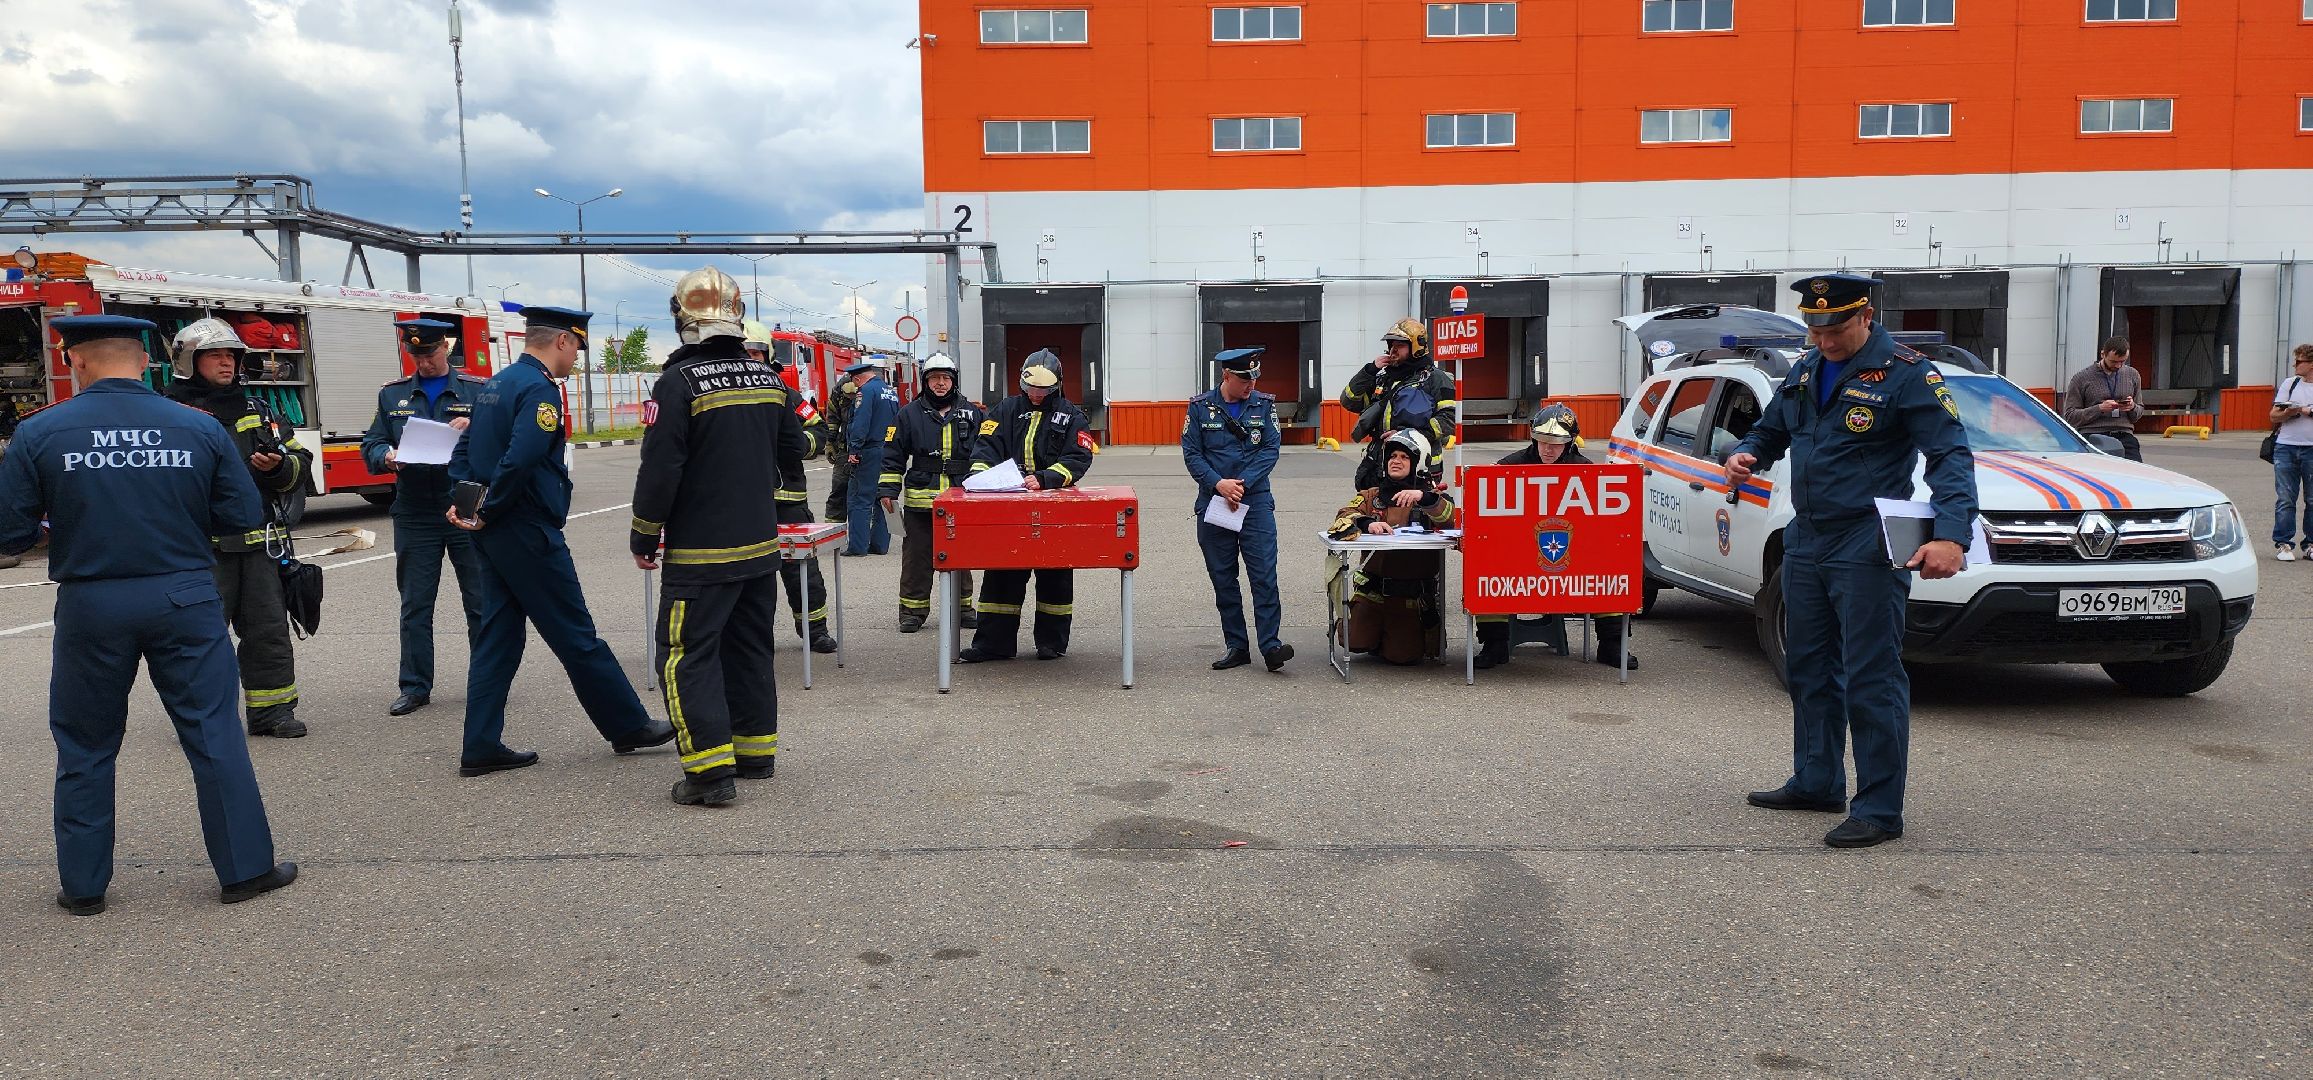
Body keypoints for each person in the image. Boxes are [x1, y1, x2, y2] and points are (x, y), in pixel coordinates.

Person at [0, 314, 297, 915]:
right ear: (143, 362)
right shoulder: (199, 427)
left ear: (76, 360)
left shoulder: (41, 432)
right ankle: (244, 870)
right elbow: (242, 513)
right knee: (213, 733)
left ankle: (84, 888)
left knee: (85, 744)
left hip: (92, 600)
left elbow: (11, 533)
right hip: (184, 594)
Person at [1724, 273, 1977, 849]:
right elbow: (1772, 429)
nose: (1823, 340)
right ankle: (1817, 780)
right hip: (1807, 537)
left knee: (1872, 676)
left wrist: (1953, 535)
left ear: (1865, 316)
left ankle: (1880, 808)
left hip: (1867, 541)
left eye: (1834, 328)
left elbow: (1950, 456)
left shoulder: (1910, 374)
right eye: (1814, 328)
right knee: (1808, 666)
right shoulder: (1810, 366)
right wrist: (1746, 453)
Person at [447, 305, 672, 777]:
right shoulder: (538, 389)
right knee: (576, 635)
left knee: (497, 638)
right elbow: (522, 458)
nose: (575, 360)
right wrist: (488, 508)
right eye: (577, 349)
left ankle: (480, 744)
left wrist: (466, 501)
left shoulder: (495, 384)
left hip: (494, 533)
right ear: (562, 342)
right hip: (526, 529)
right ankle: (628, 724)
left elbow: (465, 450)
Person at [630, 269, 807, 806]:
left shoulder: (678, 382)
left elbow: (661, 468)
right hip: (759, 547)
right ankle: (755, 755)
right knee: (750, 650)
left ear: (683, 318)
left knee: (686, 655)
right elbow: (794, 448)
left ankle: (709, 776)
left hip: (700, 555)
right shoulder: (767, 379)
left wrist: (644, 534)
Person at [165, 317, 313, 739]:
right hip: (199, 550)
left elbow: (300, 464)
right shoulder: (168, 415)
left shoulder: (258, 410)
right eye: (215, 355)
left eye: (231, 355)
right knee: (200, 640)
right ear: (189, 361)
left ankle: (272, 713)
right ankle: (202, 720)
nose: (226, 363)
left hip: (259, 547)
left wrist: (279, 467)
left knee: (268, 631)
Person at [361, 318, 489, 716]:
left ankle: (486, 681)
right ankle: (414, 687)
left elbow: (501, 441)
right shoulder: (393, 395)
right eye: (416, 354)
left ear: (445, 349)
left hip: (464, 505)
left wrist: (475, 427)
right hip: (415, 510)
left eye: (430, 353)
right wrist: (386, 456)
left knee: (480, 601)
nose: (425, 361)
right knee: (416, 604)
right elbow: (372, 443)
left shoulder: (478, 391)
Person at [1472, 402, 1635, 671]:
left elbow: (1601, 526)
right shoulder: (1507, 467)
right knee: (1488, 570)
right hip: (1518, 555)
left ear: (1569, 442)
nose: (1548, 449)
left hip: (1573, 556)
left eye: (1556, 443)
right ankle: (1494, 645)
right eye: (1543, 441)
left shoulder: (1588, 471)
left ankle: (1612, 645)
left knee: (1610, 567)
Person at [961, 349, 1096, 662]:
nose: (1037, 394)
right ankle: (993, 644)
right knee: (1002, 575)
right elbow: (984, 450)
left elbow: (1078, 458)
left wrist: (1046, 478)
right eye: (1032, 388)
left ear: (1057, 385)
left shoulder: (1071, 415)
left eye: (1044, 389)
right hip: (1009, 506)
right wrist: (980, 481)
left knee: (1055, 577)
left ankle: (1052, 643)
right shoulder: (1004, 409)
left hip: (1054, 507)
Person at [1181, 347, 1291, 672]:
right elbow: (1192, 453)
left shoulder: (1263, 405)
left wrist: (1240, 484)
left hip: (1254, 502)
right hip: (1215, 503)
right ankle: (1237, 646)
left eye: (1254, 379)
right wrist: (1219, 484)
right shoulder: (1200, 408)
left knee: (1264, 577)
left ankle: (1271, 646)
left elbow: (1271, 448)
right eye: (1244, 379)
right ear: (1226, 376)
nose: (1250, 386)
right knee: (1224, 579)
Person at [1329, 429, 1459, 665]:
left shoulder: (1432, 498)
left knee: (1403, 657)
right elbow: (1343, 515)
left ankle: (1395, 635)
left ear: (1418, 463)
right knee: (1354, 641)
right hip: (1373, 593)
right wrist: (1368, 524)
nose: (1396, 461)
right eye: (1392, 456)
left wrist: (1424, 498)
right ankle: (1368, 628)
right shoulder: (1372, 495)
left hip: (1410, 598)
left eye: (1404, 457)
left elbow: (1452, 520)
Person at [746, 321, 837, 653]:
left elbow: (819, 429)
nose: (750, 359)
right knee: (752, 576)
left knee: (804, 573)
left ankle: (815, 631)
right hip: (745, 504)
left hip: (789, 501)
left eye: (755, 352)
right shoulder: (728, 399)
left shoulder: (788, 395)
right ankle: (755, 638)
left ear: (767, 356)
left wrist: (797, 445)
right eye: (744, 353)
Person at [880, 351, 984, 633]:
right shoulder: (908, 414)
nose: (940, 383)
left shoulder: (973, 413)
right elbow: (892, 455)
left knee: (961, 555)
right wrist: (888, 490)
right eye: (935, 378)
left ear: (954, 381)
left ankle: (962, 609)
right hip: (920, 501)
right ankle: (912, 612)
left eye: (945, 378)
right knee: (917, 557)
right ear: (925, 381)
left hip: (960, 500)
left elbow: (986, 451)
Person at [1340, 318, 1458, 490]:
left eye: (1400, 345)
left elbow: (1449, 419)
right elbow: (1348, 401)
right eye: (1391, 345)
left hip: (1419, 465)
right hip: (1381, 464)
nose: (1393, 350)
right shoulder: (1383, 378)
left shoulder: (1436, 379)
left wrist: (1407, 436)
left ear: (1416, 348)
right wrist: (1369, 370)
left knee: (1414, 513)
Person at [840, 358, 897, 557]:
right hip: (889, 451)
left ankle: (858, 546)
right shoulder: (890, 392)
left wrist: (854, 450)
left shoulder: (865, 392)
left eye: (854, 382)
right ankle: (881, 545)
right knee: (885, 497)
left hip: (869, 450)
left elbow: (861, 423)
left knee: (860, 498)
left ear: (857, 379)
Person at [2061, 336, 2145, 461]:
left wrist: (2132, 407)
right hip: (2092, 435)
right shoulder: (2081, 378)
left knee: (2137, 472)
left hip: (2123, 434)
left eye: (2123, 361)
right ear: (2102, 354)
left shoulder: (2132, 375)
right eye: (2113, 362)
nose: (2118, 366)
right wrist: (2099, 409)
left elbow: (2138, 413)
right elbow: (2069, 416)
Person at [2271, 344, 2313, 562]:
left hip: (2311, 448)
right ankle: (2284, 543)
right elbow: (2273, 416)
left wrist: (2308, 410)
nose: (2295, 365)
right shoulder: (2290, 383)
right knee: (2286, 498)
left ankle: (2310, 544)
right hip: (2286, 446)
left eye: (2299, 362)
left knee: (2312, 499)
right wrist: (2290, 412)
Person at [822, 369, 860, 521]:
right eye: (848, 397)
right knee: (838, 490)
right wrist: (830, 442)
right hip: (845, 448)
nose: (851, 400)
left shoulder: (872, 390)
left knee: (869, 493)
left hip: (867, 450)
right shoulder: (839, 389)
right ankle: (832, 531)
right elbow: (832, 418)